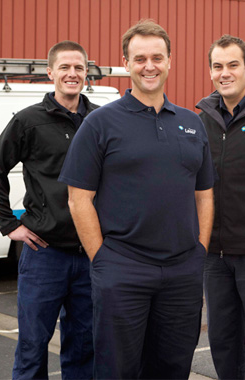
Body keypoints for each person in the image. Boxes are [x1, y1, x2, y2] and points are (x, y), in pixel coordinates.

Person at [59, 19, 215, 380]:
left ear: (170, 61)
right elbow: (78, 199)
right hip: (123, 270)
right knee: (117, 369)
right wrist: (103, 260)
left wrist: (199, 251)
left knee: (174, 367)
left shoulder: (192, 125)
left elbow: (204, 194)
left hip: (182, 272)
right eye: (140, 58)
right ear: (126, 63)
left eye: (157, 57)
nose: (149, 66)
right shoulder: (99, 123)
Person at [0, 40, 98, 380]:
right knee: (32, 347)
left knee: (84, 347)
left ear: (86, 72)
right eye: (64, 67)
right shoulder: (29, 121)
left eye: (78, 67)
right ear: (50, 73)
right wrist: (8, 224)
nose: (72, 74)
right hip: (44, 255)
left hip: (90, 254)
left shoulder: (99, 120)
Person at [196, 34, 245, 380]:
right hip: (214, 255)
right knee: (223, 339)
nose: (224, 73)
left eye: (233, 65)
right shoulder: (199, 121)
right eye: (218, 66)